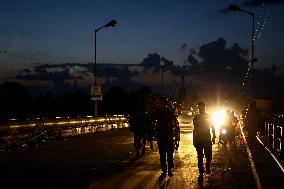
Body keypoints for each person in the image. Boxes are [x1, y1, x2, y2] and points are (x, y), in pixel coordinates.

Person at [152, 98, 179, 178]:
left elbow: (175, 123)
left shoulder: (163, 112)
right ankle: (166, 169)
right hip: (164, 135)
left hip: (166, 135)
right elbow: (176, 123)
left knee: (166, 154)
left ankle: (167, 169)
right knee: (165, 154)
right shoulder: (166, 112)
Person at [193, 101, 216, 178]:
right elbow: (195, 129)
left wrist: (214, 136)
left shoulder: (209, 117)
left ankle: (208, 166)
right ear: (198, 108)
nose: (201, 109)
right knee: (200, 156)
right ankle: (201, 171)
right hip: (199, 140)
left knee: (208, 156)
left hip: (207, 139)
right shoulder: (196, 117)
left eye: (202, 107)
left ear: (204, 108)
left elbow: (213, 127)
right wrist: (194, 140)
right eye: (199, 107)